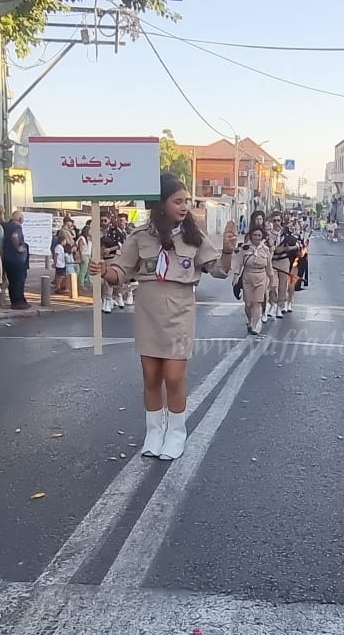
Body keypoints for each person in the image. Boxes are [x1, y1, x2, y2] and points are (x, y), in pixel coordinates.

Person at [90, 172, 238, 461]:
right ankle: (154, 432)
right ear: (160, 204)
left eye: (186, 201)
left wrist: (228, 251)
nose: (184, 207)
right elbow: (120, 272)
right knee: (151, 377)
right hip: (148, 310)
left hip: (180, 311)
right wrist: (103, 271)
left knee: (174, 377)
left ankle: (176, 433)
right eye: (178, 201)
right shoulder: (139, 237)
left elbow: (218, 270)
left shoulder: (194, 237)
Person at [233, 224, 273, 335]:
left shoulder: (265, 250)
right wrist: (236, 277)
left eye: (259, 235)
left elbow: (269, 267)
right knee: (248, 304)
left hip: (261, 277)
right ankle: (250, 320)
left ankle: (255, 325)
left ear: (262, 236)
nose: (257, 237)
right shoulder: (245, 248)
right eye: (255, 235)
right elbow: (239, 264)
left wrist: (272, 280)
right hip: (247, 277)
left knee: (257, 303)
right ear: (251, 236)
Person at [2, 209, 31, 309]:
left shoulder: (7, 226)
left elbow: (1, 222)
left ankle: (14, 301)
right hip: (17, 259)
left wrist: (0, 213)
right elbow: (14, 236)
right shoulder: (16, 226)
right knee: (18, 281)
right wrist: (18, 246)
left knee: (12, 281)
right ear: (20, 218)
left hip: (8, 258)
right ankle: (19, 302)